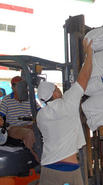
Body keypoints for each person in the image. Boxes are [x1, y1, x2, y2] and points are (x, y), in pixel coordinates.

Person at [36, 38, 93, 185]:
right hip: (67, 172)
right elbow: (84, 77)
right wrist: (89, 54)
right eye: (56, 88)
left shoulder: (40, 116)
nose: (59, 89)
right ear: (54, 94)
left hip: (47, 169)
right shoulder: (67, 103)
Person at [0, 77, 37, 157]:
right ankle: (39, 160)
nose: (24, 89)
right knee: (29, 134)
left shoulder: (30, 99)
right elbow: (1, 115)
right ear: (13, 87)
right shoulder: (6, 100)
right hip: (14, 127)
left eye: (24, 86)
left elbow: (40, 111)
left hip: (30, 125)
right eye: (20, 86)